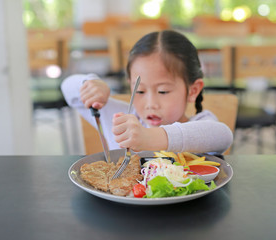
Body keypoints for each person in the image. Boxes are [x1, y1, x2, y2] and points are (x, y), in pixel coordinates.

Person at [61, 30, 233, 154]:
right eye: (140, 91)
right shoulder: (120, 120)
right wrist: (91, 84)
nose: (151, 104)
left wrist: (149, 138)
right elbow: (68, 90)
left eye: (163, 91)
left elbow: (222, 135)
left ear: (193, 91)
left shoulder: (201, 123)